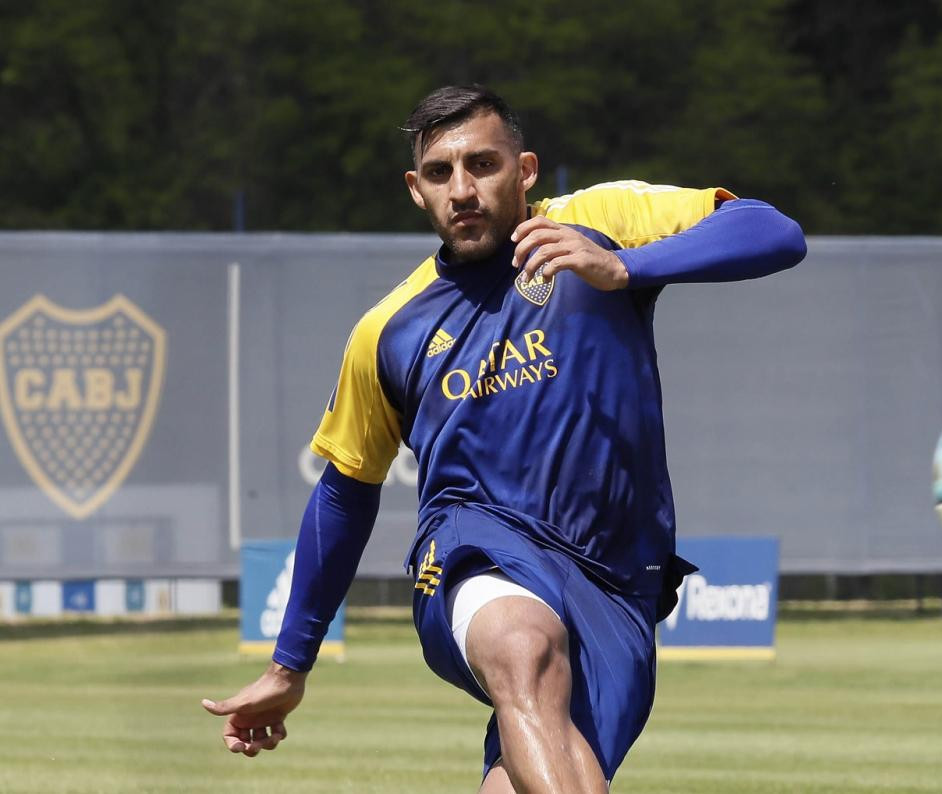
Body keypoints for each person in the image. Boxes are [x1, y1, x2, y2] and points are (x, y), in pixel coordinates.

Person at [202, 84, 806, 792]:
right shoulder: (386, 332)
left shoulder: (597, 225)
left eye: (483, 165)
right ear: (416, 190)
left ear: (523, 171)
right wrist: (288, 664)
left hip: (616, 582)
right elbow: (343, 496)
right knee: (523, 647)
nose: (462, 189)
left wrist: (625, 268)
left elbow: (773, 233)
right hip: (472, 545)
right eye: (440, 173)